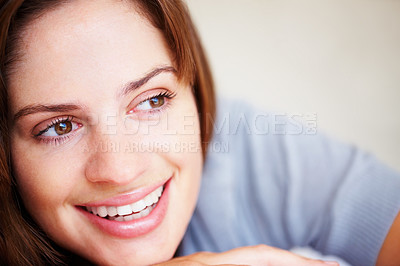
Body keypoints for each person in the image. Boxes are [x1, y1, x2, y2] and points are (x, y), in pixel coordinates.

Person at [0, 0, 399, 265]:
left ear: (193, 91)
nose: (120, 170)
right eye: (60, 127)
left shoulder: (238, 146)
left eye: (152, 101)